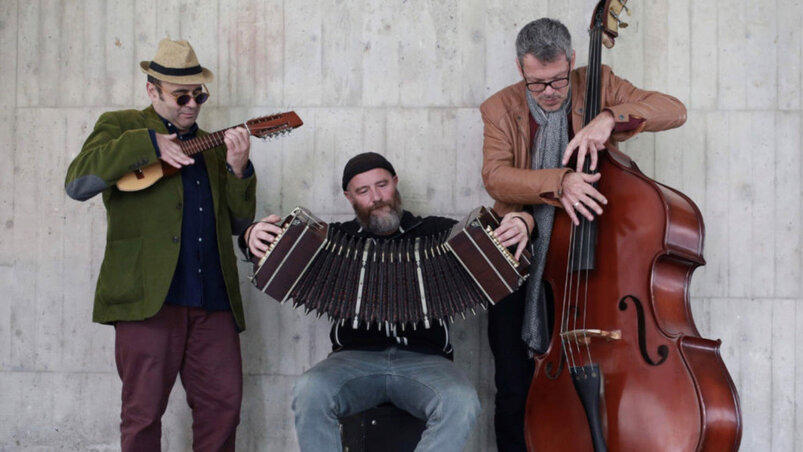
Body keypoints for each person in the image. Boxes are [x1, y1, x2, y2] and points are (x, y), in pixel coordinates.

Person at [480, 18, 687, 451]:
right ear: (520, 69)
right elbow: (497, 177)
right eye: (537, 83)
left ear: (572, 60)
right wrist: (561, 183)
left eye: (558, 79)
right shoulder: (499, 107)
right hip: (521, 249)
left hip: (586, 257)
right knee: (514, 387)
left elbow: (673, 110)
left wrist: (610, 117)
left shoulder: (599, 83)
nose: (549, 92)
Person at [242, 152, 533, 452]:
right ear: (349, 197)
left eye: (382, 185)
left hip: (427, 363)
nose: (376, 197)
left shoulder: (438, 233)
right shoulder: (333, 239)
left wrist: (523, 220)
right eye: (363, 191)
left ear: (395, 183)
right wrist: (251, 235)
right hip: (352, 361)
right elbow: (271, 248)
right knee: (309, 390)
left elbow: (499, 236)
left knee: (462, 401)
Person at [64, 39, 257, 451]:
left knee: (223, 410)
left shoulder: (212, 146)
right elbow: (78, 183)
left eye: (199, 95)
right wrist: (149, 143)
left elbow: (239, 223)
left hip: (212, 299)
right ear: (152, 91)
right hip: (149, 300)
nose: (192, 105)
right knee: (143, 414)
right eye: (181, 96)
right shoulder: (121, 127)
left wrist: (238, 170)